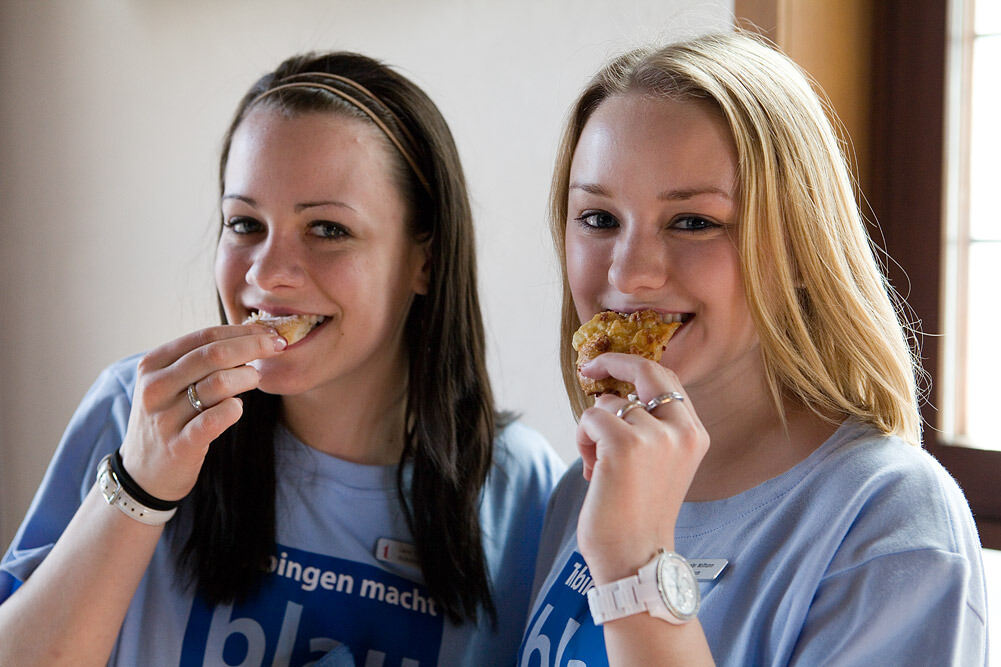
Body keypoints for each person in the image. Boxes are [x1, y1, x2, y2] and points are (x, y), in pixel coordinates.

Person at [0, 51, 565, 666]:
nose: (266, 274)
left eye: (327, 229)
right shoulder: (136, 409)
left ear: (423, 259)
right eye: (244, 224)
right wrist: (141, 487)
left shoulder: (521, 486)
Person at [517, 31, 987, 666]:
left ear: (797, 246)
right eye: (599, 219)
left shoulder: (891, 524)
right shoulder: (590, 484)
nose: (629, 274)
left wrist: (637, 568)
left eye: (694, 222)